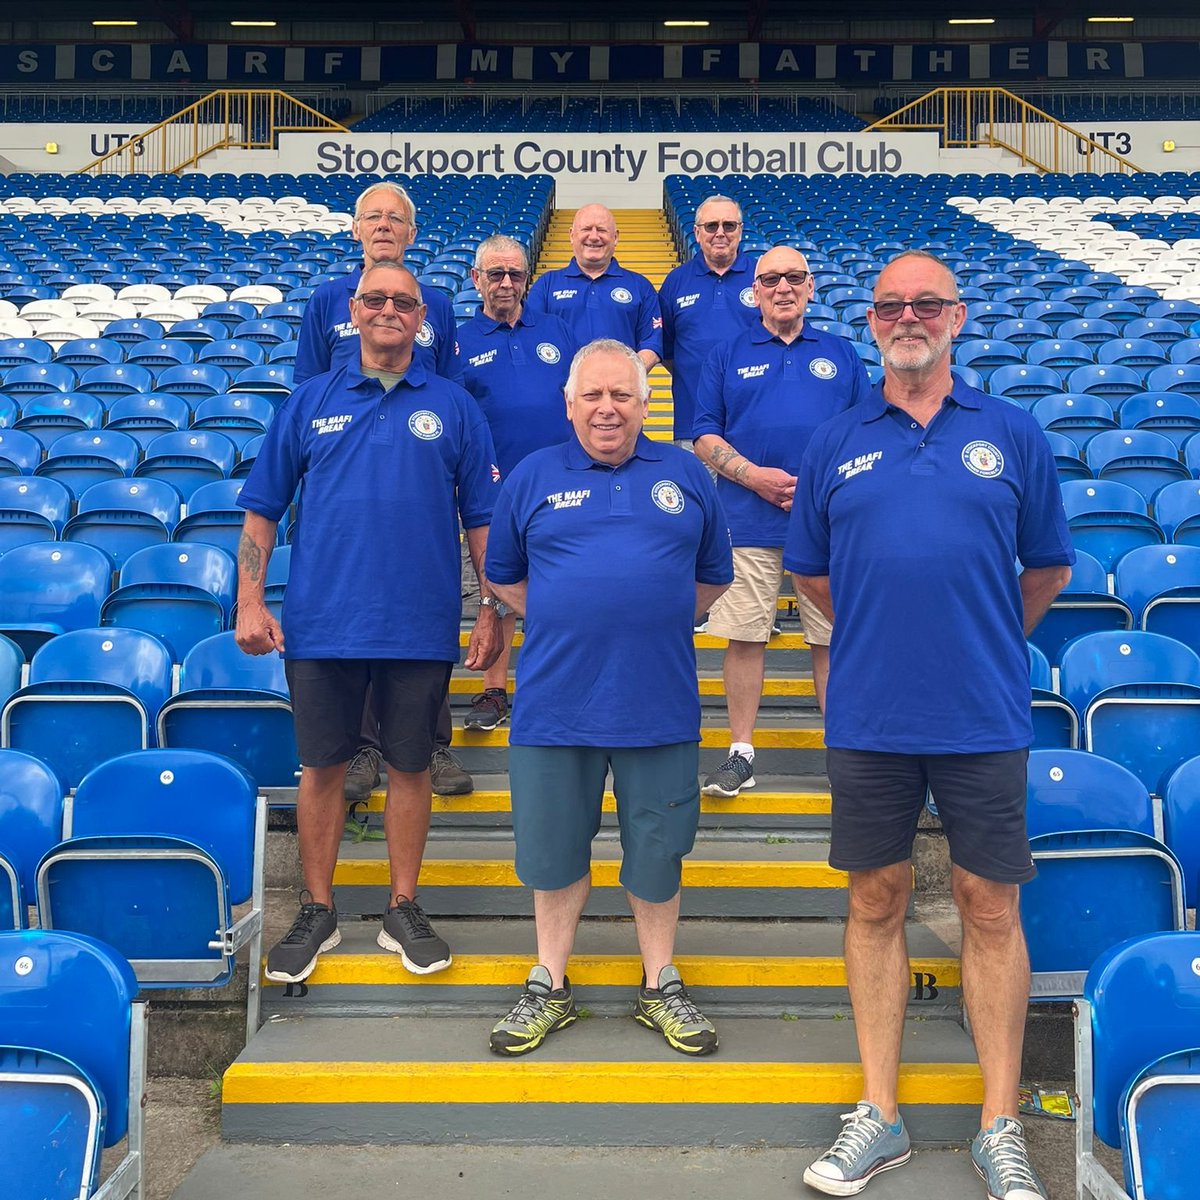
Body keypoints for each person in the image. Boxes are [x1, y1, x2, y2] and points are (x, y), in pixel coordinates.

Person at [785, 250, 1072, 1199]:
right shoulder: (835, 440)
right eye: (891, 306)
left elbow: (1045, 571)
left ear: (957, 317)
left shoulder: (1013, 432)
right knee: (874, 902)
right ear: (871, 324)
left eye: (927, 304)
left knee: (990, 909)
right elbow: (813, 576)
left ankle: (1000, 1121)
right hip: (868, 711)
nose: (908, 317)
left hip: (982, 709)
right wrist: (886, 632)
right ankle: (881, 1113)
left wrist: (973, 633)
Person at [236, 261, 503, 985]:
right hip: (323, 621)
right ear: (354, 310)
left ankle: (402, 907)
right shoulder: (307, 401)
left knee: (412, 765)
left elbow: (482, 519)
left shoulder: (454, 407)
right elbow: (262, 508)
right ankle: (317, 910)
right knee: (322, 768)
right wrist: (250, 601)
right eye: (376, 299)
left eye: (403, 302)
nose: (389, 310)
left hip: (419, 621)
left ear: (423, 319)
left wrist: (493, 611)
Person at [484, 338, 733, 1058]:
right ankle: (548, 985)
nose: (606, 408)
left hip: (657, 702)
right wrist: (569, 613)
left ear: (645, 401)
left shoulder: (687, 475)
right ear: (569, 403)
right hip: (556, 704)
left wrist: (646, 614)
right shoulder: (532, 477)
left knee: (657, 852)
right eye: (591, 395)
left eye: (621, 395)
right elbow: (503, 575)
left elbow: (712, 580)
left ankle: (661, 984)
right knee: (554, 854)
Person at [294, 179, 474, 802]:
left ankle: (433, 743)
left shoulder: (437, 304)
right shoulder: (326, 299)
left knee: (419, 613)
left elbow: (446, 388)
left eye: (395, 218)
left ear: (412, 233)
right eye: (372, 217)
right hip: (348, 477)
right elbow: (307, 393)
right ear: (355, 230)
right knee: (360, 614)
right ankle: (366, 751)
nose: (383, 226)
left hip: (415, 471)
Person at [692, 245, 871, 799]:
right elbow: (703, 435)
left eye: (794, 277)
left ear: (811, 287)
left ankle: (843, 752)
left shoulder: (841, 354)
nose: (783, 288)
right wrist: (755, 478)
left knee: (832, 638)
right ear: (756, 290)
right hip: (746, 519)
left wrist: (823, 492)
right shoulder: (725, 354)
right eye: (771, 279)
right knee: (745, 637)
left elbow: (867, 434)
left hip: (830, 526)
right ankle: (741, 752)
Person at [455, 234, 574, 733]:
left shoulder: (558, 330)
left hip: (561, 488)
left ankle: (558, 687)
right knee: (498, 589)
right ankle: (493, 690)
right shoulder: (458, 341)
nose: (507, 283)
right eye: (496, 274)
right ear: (476, 278)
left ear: (528, 279)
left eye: (516, 275)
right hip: (491, 492)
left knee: (563, 590)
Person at [658, 194, 760, 444]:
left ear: (741, 230)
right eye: (711, 226)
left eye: (729, 225)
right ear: (696, 232)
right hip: (693, 427)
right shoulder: (676, 282)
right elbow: (668, 351)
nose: (720, 233)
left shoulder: (763, 275)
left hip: (754, 424)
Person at [525, 203, 663, 372]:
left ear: (615, 237)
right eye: (586, 229)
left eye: (602, 230)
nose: (594, 236)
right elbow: (530, 338)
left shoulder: (640, 286)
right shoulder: (546, 285)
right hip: (562, 393)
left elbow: (652, 344)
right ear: (571, 235)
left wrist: (625, 377)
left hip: (620, 394)